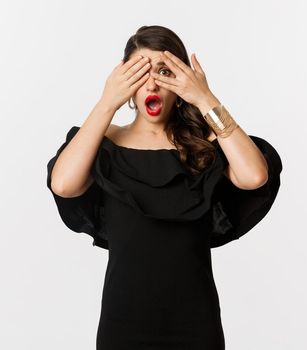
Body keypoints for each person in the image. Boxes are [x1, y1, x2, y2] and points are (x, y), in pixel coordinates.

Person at [45, 25, 282, 349]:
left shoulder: (204, 145)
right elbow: (63, 184)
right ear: (123, 80)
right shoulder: (105, 141)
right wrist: (106, 103)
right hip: (123, 324)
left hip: (195, 325)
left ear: (181, 82)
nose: (152, 82)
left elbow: (254, 175)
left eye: (164, 71)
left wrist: (205, 98)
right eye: (140, 71)